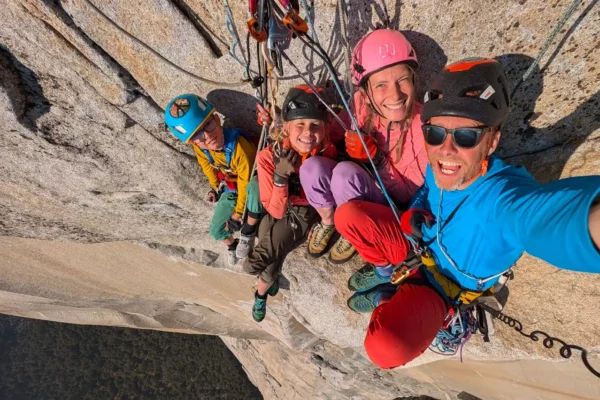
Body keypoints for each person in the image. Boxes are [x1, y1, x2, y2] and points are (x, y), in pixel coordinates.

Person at [333, 57, 600, 368]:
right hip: (419, 252)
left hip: (443, 294)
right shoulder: (443, 167)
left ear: (492, 141)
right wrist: (417, 208)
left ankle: (385, 297)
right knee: (346, 217)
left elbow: (558, 223)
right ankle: (385, 278)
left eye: (466, 136)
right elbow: (428, 188)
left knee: (387, 347)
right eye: (435, 134)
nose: (446, 150)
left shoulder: (502, 202)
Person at [256, 29, 428, 265]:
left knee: (345, 174)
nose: (395, 94)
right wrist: (278, 128)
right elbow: (327, 133)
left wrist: (376, 158)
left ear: (413, 80)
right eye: (381, 85)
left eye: (402, 80)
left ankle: (352, 228)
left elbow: (410, 196)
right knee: (312, 167)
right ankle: (329, 222)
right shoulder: (360, 104)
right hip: (356, 188)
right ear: (365, 91)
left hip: (387, 206)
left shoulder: (422, 128)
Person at [244, 85, 337, 322]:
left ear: (324, 129)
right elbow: (274, 209)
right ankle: (262, 294)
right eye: (301, 125)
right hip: (279, 207)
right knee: (268, 257)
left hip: (302, 213)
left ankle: (262, 292)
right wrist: (280, 178)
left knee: (259, 261)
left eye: (316, 125)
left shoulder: (327, 150)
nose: (309, 132)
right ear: (287, 128)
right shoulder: (269, 156)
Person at [164, 94, 262, 266]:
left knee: (255, 189)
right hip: (232, 191)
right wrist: (215, 188)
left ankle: (247, 234)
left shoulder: (239, 147)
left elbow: (246, 181)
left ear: (216, 119)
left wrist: (238, 214)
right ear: (192, 143)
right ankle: (233, 245)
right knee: (216, 231)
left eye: (208, 124)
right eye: (198, 135)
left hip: (251, 190)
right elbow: (207, 167)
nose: (207, 136)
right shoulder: (201, 150)